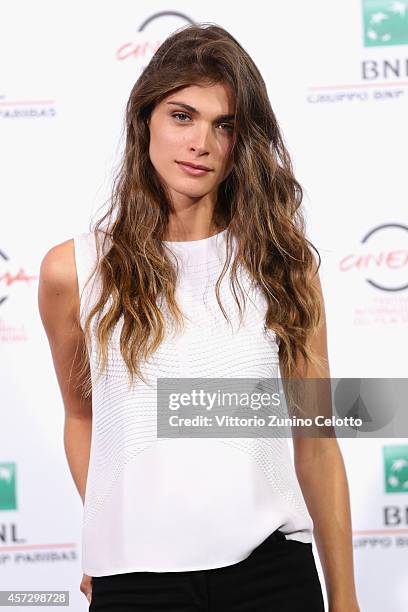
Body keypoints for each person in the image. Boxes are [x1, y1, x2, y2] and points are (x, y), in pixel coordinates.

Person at [38, 22, 360, 612]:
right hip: (137, 584)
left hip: (271, 574)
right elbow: (81, 416)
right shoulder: (74, 269)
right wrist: (105, 530)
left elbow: (316, 440)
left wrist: (345, 598)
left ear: (243, 141)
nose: (201, 142)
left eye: (224, 125)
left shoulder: (282, 265)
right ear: (145, 122)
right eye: (182, 116)